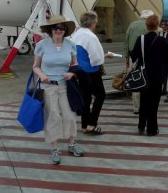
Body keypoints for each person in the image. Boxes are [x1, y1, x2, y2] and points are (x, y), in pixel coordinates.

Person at [33, 15, 84, 165]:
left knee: (69, 114)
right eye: (56, 28)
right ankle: (55, 148)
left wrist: (72, 73)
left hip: (65, 86)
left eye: (62, 28)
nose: (59, 30)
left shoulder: (71, 45)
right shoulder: (42, 45)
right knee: (53, 116)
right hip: (48, 86)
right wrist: (42, 76)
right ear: (50, 30)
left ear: (65, 30)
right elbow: (35, 66)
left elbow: (76, 65)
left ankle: (72, 144)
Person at [71, 11, 114, 135]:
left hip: (80, 70)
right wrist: (107, 55)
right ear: (93, 23)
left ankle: (85, 125)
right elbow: (96, 59)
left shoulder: (77, 33)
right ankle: (92, 124)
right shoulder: (91, 36)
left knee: (86, 98)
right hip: (91, 72)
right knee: (100, 95)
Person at [130, 14, 168, 136]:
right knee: (154, 103)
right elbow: (167, 59)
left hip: (144, 75)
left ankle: (141, 126)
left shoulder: (140, 39)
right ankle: (152, 129)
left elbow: (133, 56)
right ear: (157, 26)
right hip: (157, 76)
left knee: (144, 101)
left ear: (147, 26)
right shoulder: (162, 41)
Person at [125, 9, 154, 114]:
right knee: (148, 82)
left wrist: (127, 58)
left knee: (136, 81)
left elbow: (126, 42)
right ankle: (147, 105)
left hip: (134, 59)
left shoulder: (132, 25)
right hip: (149, 59)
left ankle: (136, 108)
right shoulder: (151, 26)